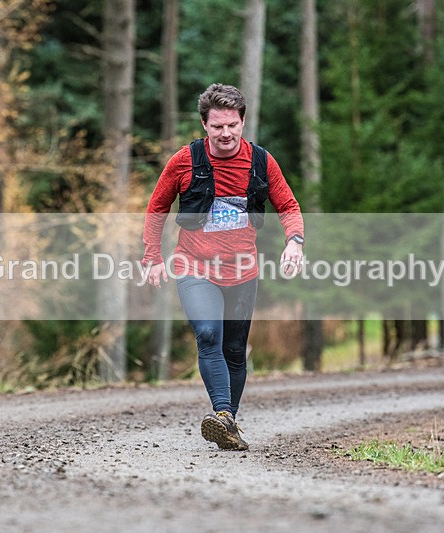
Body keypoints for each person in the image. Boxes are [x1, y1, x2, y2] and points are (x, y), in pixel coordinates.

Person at [142, 83, 304, 451]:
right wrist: (152, 257)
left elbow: (289, 206)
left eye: (232, 125)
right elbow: (156, 209)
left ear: (243, 121)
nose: (226, 133)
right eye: (217, 127)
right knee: (209, 335)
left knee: (235, 350)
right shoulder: (185, 160)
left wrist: (294, 242)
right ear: (205, 125)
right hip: (194, 265)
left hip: (243, 271)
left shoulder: (262, 161)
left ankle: (226, 422)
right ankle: (222, 411)